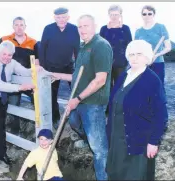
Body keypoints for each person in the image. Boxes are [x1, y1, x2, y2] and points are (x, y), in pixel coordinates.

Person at [49, 14, 113, 180]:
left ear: (94, 26)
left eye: (86, 26)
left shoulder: (101, 46)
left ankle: (103, 177)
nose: (82, 30)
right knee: (74, 122)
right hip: (80, 100)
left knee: (99, 149)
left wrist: (77, 99)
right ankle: (87, 139)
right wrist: (56, 75)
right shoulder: (83, 47)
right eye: (80, 27)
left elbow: (100, 80)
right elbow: (77, 77)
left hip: (93, 103)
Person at [106, 40, 168, 180]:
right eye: (132, 54)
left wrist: (154, 141)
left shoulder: (152, 80)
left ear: (147, 57)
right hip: (117, 141)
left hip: (138, 143)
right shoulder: (124, 76)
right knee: (115, 174)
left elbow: (161, 115)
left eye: (139, 54)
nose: (134, 58)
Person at [0, 40, 38, 173]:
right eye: (4, 54)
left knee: (0, 128)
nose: (7, 57)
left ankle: (2, 155)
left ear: (12, 55)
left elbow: (24, 72)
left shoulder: (12, 63)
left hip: (0, 99)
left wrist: (35, 69)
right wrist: (20, 87)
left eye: (10, 55)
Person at [0, 16, 39, 135]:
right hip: (11, 80)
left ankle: (36, 130)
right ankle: (15, 131)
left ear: (25, 27)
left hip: (27, 79)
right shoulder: (4, 39)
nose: (19, 28)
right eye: (16, 25)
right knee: (13, 104)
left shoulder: (33, 42)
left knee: (38, 101)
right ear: (13, 26)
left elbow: (37, 62)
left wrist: (35, 79)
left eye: (21, 25)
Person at [39, 7, 80, 128]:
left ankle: (76, 118)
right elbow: (42, 49)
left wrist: (77, 67)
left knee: (76, 90)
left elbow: (77, 49)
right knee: (51, 94)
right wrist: (43, 68)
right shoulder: (48, 29)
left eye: (63, 17)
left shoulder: (74, 29)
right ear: (54, 18)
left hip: (68, 65)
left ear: (68, 17)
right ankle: (55, 119)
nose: (61, 20)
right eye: (58, 17)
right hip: (51, 67)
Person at [135, 5, 172, 87]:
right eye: (144, 14)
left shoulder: (161, 27)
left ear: (154, 15)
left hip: (158, 63)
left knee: (158, 87)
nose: (147, 16)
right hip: (143, 64)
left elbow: (168, 47)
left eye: (149, 14)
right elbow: (136, 49)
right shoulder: (138, 31)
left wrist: (156, 55)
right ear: (141, 16)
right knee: (144, 88)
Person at [100, 4, 132, 89]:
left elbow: (130, 45)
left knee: (120, 86)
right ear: (109, 15)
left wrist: (129, 61)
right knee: (107, 87)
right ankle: (108, 103)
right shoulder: (104, 29)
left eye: (116, 14)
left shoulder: (125, 29)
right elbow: (100, 46)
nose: (114, 17)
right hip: (106, 63)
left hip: (121, 63)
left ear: (120, 15)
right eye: (112, 14)